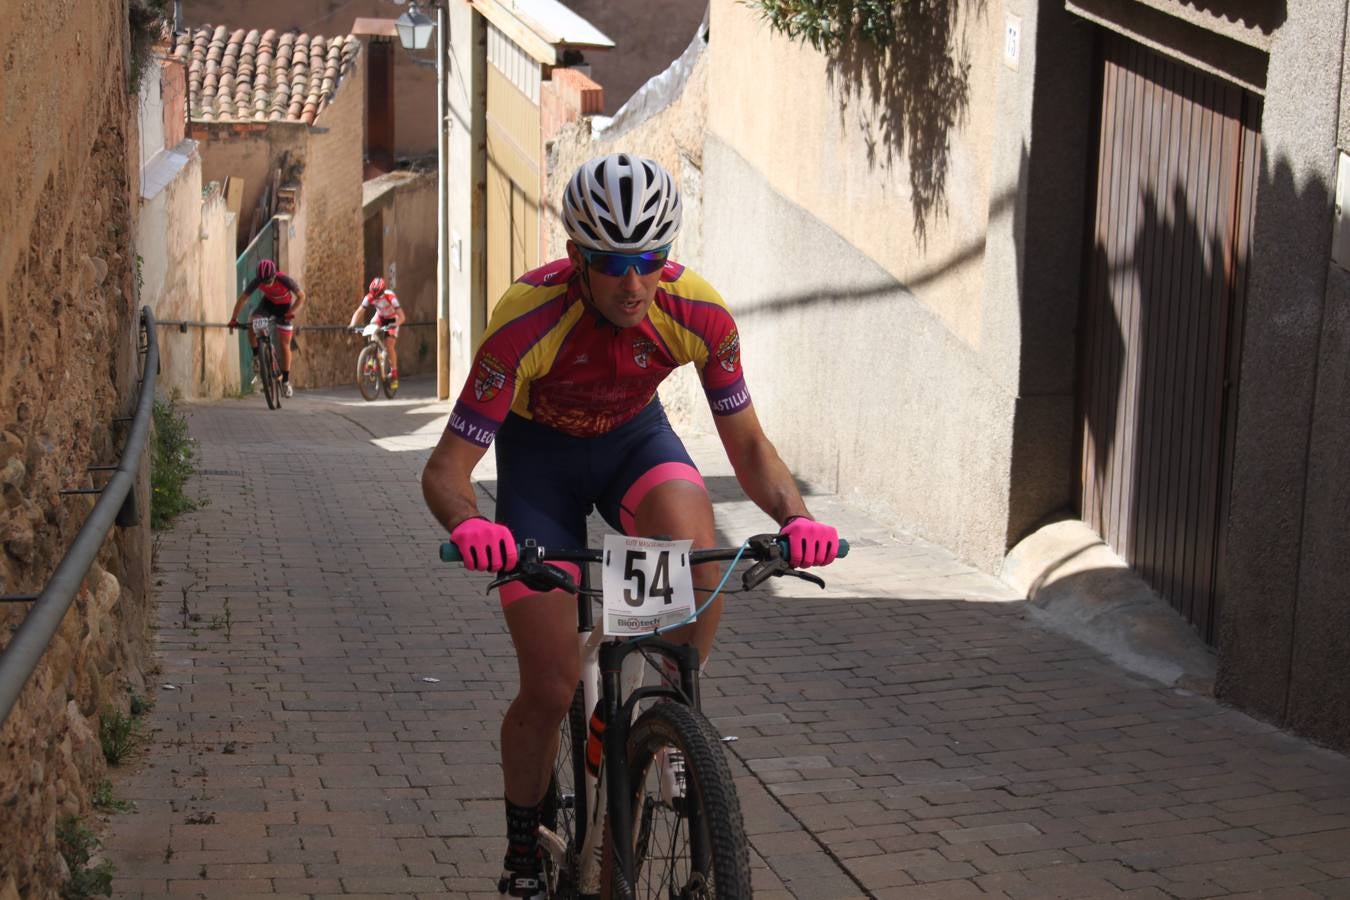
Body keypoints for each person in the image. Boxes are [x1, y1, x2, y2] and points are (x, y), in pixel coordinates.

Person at [420, 153, 840, 899]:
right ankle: (524, 851)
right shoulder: (525, 321)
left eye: (651, 259)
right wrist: (470, 526)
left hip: (631, 444)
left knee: (694, 538)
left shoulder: (699, 315)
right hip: (540, 464)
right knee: (550, 687)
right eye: (614, 262)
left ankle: (669, 718)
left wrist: (796, 518)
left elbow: (746, 445)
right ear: (577, 257)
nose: (634, 282)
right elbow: (446, 471)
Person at [228, 258, 306, 398]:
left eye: (268, 281)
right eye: (263, 282)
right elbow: (242, 299)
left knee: (284, 344)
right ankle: (257, 356)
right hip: (268, 305)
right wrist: (233, 319)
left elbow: (301, 297)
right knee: (252, 323)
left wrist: (291, 312)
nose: (267, 285)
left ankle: (286, 381)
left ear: (275, 275)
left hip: (284, 308)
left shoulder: (284, 280)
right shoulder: (258, 280)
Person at [348, 276, 405, 391]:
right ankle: (372, 355)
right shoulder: (369, 297)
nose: (376, 299)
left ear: (383, 292)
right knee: (370, 330)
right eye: (374, 296)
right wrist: (352, 324)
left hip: (392, 318)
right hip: (379, 316)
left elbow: (402, 316)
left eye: (378, 296)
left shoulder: (390, 297)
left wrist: (395, 324)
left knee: (389, 344)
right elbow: (359, 311)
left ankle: (394, 372)